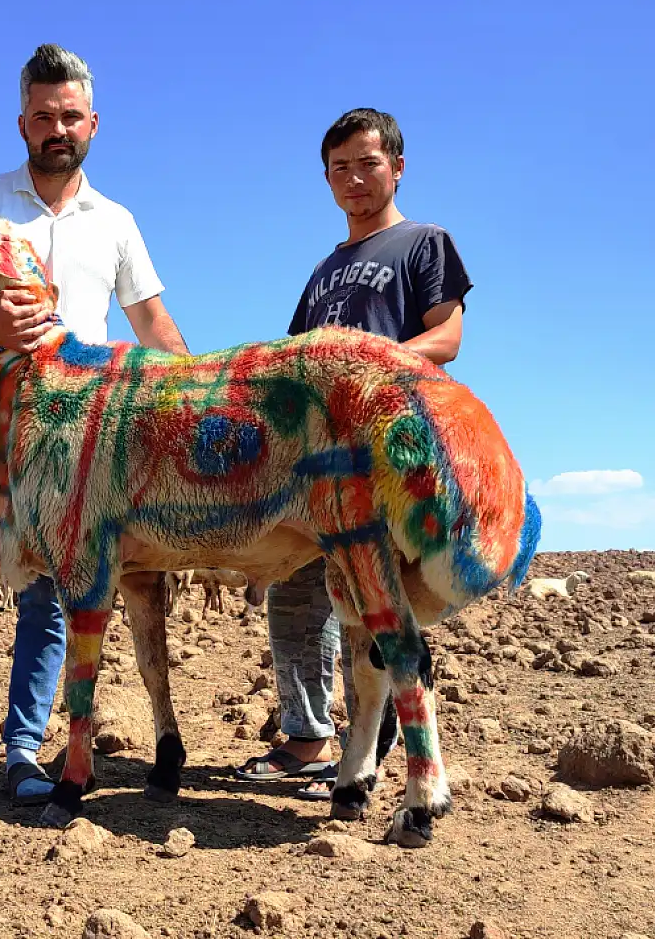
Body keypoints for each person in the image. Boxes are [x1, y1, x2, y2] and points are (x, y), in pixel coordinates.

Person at [0, 43, 190, 810]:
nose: (59, 128)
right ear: (23, 122)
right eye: (44, 116)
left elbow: (149, 316)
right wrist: (1, 322)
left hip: (70, 441)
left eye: (72, 116)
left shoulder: (115, 222)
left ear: (94, 123)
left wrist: (194, 390)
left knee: (49, 595)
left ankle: (23, 752)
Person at [233, 107, 472, 799]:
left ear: (397, 167)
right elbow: (295, 364)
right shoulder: (325, 271)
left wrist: (367, 368)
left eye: (368, 164)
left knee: (372, 600)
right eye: (340, 168)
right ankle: (308, 738)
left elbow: (447, 338)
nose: (354, 179)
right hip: (315, 467)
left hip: (384, 454)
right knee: (296, 595)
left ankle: (373, 747)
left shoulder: (425, 243)